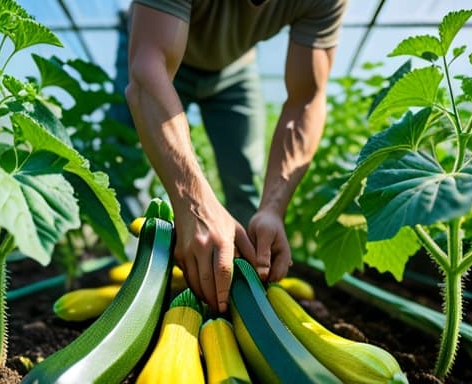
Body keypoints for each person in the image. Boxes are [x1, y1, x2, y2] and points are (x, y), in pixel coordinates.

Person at [122, 0, 347, 313]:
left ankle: (236, 293)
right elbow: (147, 73)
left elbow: (306, 100)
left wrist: (273, 208)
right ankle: (135, 285)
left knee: (245, 182)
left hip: (235, 67)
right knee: (126, 169)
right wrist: (195, 205)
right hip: (150, 47)